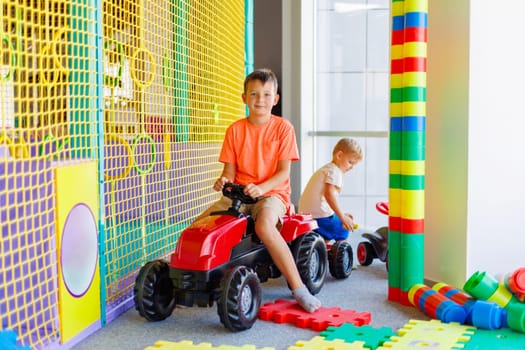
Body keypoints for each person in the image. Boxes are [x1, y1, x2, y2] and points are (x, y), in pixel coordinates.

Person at [192, 68, 321, 313]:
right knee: (200, 225)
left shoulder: (283, 129)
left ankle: (298, 288)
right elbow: (229, 172)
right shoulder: (235, 130)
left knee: (263, 226)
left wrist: (261, 188)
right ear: (244, 98)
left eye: (266, 94)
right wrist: (223, 181)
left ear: (275, 99)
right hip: (238, 195)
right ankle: (192, 275)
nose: (260, 99)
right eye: (254, 94)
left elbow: (283, 173)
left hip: (272, 195)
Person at [298, 138, 364, 243]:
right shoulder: (335, 171)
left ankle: (323, 245)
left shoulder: (327, 169)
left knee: (334, 224)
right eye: (350, 162)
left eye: (354, 164)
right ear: (339, 155)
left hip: (306, 215)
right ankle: (340, 256)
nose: (352, 167)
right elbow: (329, 195)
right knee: (343, 229)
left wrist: (341, 215)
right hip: (319, 217)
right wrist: (342, 217)